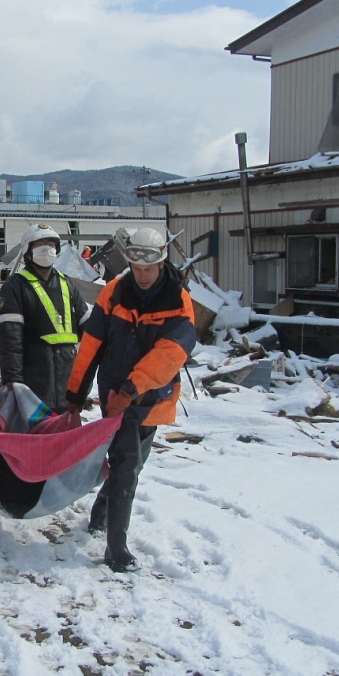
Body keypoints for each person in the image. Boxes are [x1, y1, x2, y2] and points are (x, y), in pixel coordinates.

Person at [65, 227, 196, 572]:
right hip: (114, 394)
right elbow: (92, 344)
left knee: (134, 465)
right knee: (124, 467)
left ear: (161, 263)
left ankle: (100, 515)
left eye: (147, 270)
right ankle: (116, 548)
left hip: (151, 397)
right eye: (136, 269)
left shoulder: (178, 300)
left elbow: (171, 353)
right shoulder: (115, 292)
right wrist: (76, 393)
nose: (141, 276)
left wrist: (131, 389)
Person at [0, 224, 88, 412]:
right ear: (28, 251)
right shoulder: (15, 286)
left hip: (66, 380)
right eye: (40, 243)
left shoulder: (67, 284)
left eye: (51, 243)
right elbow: (10, 340)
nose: (47, 248)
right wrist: (13, 381)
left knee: (66, 437)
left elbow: (91, 333)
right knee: (36, 437)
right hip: (34, 380)